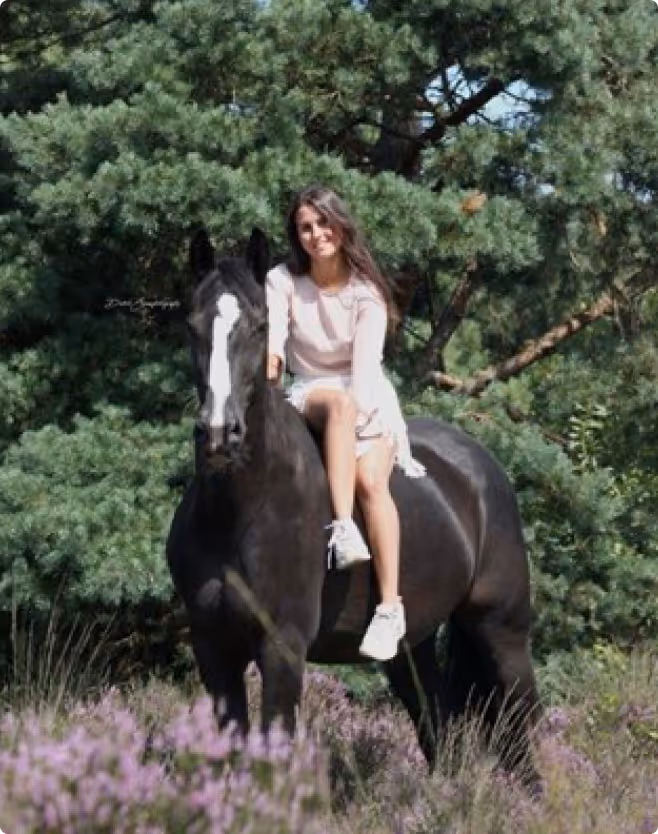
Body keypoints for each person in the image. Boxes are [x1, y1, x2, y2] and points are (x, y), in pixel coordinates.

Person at [265, 184, 425, 662]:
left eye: (323, 224)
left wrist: (358, 425)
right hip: (309, 389)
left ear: (341, 225)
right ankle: (341, 528)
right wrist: (265, 372)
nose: (316, 235)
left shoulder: (366, 293)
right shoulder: (282, 280)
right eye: (305, 228)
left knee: (372, 482)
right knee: (333, 406)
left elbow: (362, 376)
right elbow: (274, 345)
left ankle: (389, 610)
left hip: (366, 392)